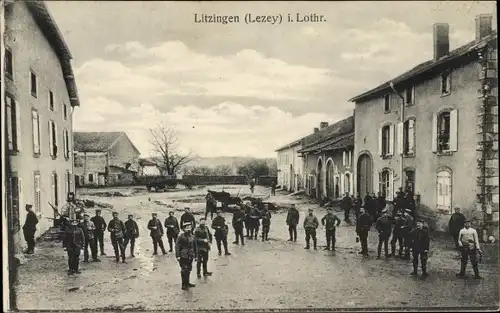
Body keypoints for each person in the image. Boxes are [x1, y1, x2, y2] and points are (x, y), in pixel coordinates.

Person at [175, 222, 197, 290]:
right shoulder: (180, 236)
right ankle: (184, 284)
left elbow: (194, 246)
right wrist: (178, 256)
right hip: (183, 255)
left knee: (189, 269)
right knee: (184, 270)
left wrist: (195, 255)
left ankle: (188, 282)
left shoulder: (192, 236)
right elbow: (177, 246)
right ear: (184, 229)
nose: (188, 229)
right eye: (187, 228)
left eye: (189, 227)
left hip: (190, 255)